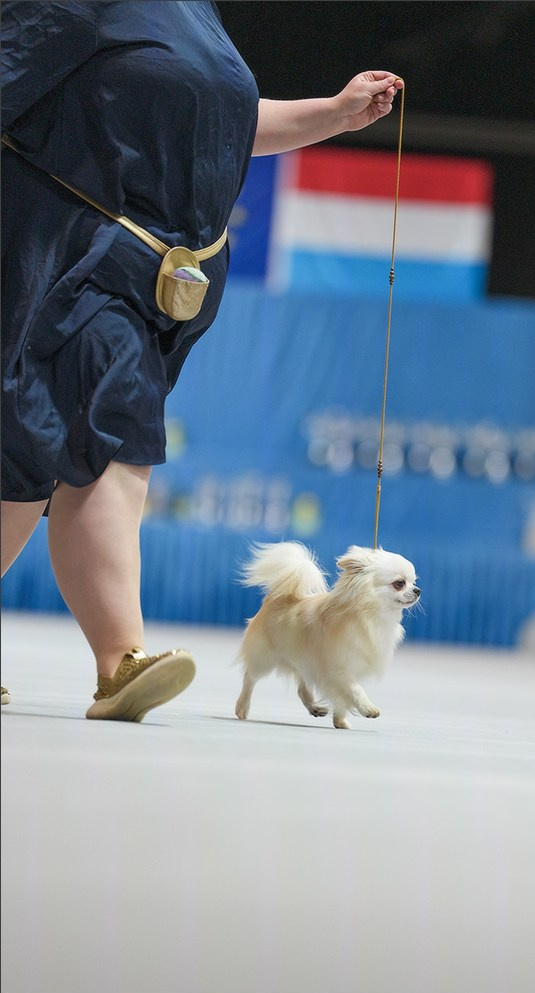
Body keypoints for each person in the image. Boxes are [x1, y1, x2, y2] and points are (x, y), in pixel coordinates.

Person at [0, 1, 403, 720]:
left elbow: (223, 127)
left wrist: (335, 114)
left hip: (147, 276)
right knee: (28, 441)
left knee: (115, 441)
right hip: (60, 253)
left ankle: (120, 663)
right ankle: (118, 656)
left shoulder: (194, 14)